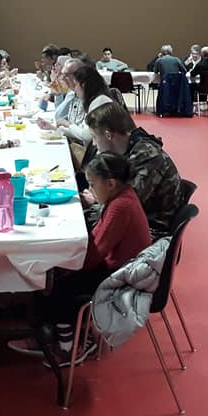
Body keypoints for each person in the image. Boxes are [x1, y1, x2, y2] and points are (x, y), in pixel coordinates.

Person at [39, 152, 151, 362]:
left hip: (124, 276)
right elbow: (99, 238)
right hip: (125, 268)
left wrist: (67, 266)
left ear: (110, 183)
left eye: (92, 184)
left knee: (62, 286)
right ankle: (67, 332)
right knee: (60, 276)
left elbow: (97, 253)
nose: (90, 189)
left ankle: (71, 346)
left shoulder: (120, 206)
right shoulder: (122, 197)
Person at [85, 102, 184, 239]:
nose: (94, 144)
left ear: (108, 135)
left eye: (95, 137)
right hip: (138, 220)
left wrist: (96, 199)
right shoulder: (130, 150)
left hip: (153, 230)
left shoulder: (147, 156)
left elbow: (125, 205)